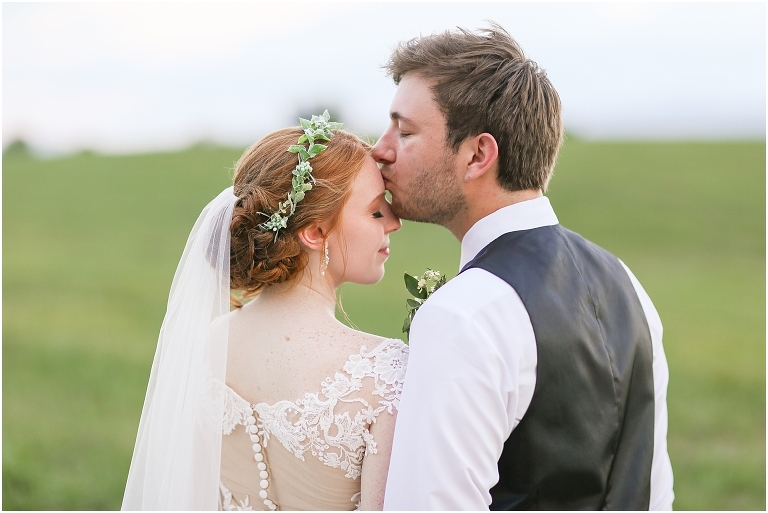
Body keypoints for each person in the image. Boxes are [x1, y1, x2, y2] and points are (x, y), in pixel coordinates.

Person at [373, 25, 674, 510]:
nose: (380, 149)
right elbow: (655, 493)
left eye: (405, 132)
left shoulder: (463, 314)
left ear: (478, 155)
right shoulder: (627, 283)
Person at [122, 112, 406, 510]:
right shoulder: (383, 374)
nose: (394, 222)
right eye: (376, 210)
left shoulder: (207, 345)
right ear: (315, 232)